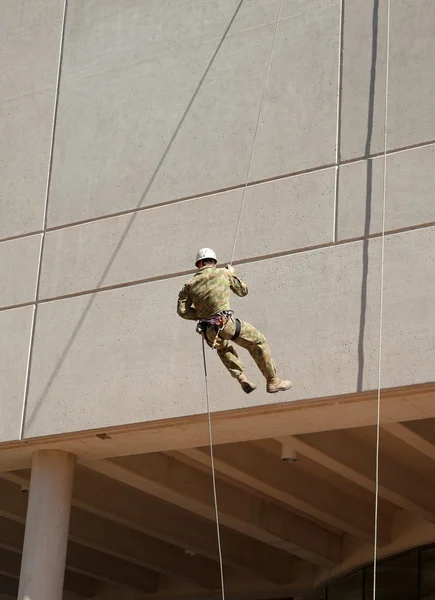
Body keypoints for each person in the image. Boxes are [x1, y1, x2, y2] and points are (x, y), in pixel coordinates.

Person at [177, 248, 292, 394]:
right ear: (214, 262)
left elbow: (183, 311)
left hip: (208, 331)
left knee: (223, 348)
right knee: (258, 342)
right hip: (225, 324)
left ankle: (242, 378)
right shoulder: (223, 273)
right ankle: (273, 381)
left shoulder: (188, 285)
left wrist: (202, 315)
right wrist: (232, 274)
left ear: (199, 264)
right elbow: (243, 291)